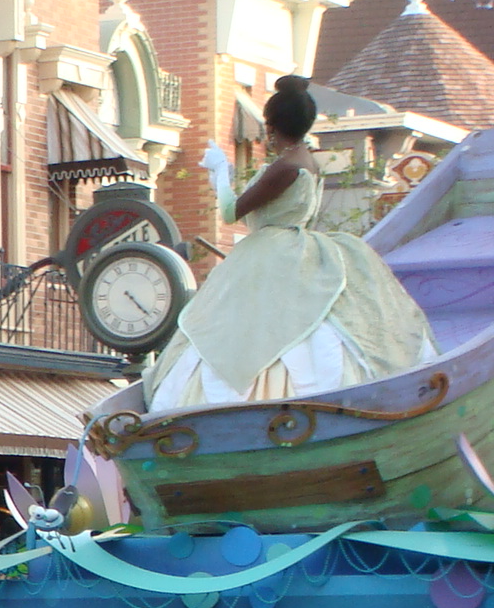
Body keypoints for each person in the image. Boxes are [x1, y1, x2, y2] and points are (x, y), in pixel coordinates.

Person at [148, 75, 435, 410]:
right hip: (297, 246)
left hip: (271, 249)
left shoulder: (284, 167)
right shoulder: (309, 160)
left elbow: (230, 212)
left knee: (255, 327)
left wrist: (221, 174)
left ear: (270, 127)